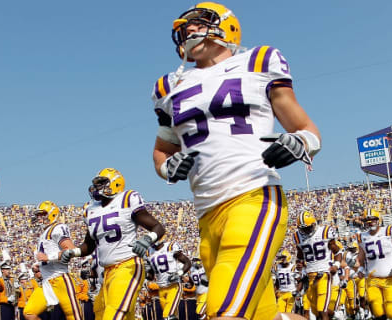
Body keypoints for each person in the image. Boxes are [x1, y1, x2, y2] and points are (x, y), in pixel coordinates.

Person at [150, 2, 321, 319]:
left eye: (197, 23)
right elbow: (162, 150)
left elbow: (306, 129)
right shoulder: (169, 86)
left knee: (224, 312)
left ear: (226, 25)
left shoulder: (258, 61)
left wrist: (299, 143)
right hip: (206, 215)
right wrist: (165, 167)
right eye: (184, 27)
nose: (188, 30)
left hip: (253, 196)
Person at [60, 168, 166, 319]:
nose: (97, 187)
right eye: (96, 184)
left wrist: (147, 239)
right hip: (107, 272)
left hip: (127, 267)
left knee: (113, 315)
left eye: (102, 183)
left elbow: (158, 227)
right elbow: (89, 245)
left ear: (116, 183)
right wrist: (74, 252)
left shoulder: (127, 199)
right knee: (100, 311)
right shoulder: (90, 209)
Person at [23, 201, 83, 320]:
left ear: (52, 213)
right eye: (38, 215)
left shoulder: (57, 227)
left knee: (74, 317)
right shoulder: (44, 233)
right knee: (29, 313)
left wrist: (48, 258)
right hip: (46, 282)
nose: (39, 218)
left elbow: (71, 249)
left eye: (42, 214)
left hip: (60, 279)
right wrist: (39, 265)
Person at [356, 209, 392, 320]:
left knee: (391, 312)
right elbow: (360, 257)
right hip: (372, 279)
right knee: (377, 311)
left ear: (378, 220)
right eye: (367, 220)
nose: (370, 222)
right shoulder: (362, 236)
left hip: (389, 277)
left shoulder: (388, 231)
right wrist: (360, 268)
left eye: (373, 219)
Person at [292, 211, 341, 320]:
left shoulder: (325, 232)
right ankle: (336, 315)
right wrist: (299, 264)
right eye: (303, 229)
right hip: (310, 275)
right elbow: (300, 256)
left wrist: (336, 266)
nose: (305, 231)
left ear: (314, 224)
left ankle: (334, 315)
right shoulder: (297, 236)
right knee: (316, 311)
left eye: (308, 228)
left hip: (324, 273)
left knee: (322, 310)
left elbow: (337, 252)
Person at [146, 240, 192, 320]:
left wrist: (179, 273)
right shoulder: (149, 252)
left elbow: (187, 262)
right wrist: (145, 272)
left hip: (173, 287)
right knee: (173, 316)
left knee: (167, 316)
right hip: (161, 289)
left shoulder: (170, 247)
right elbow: (151, 276)